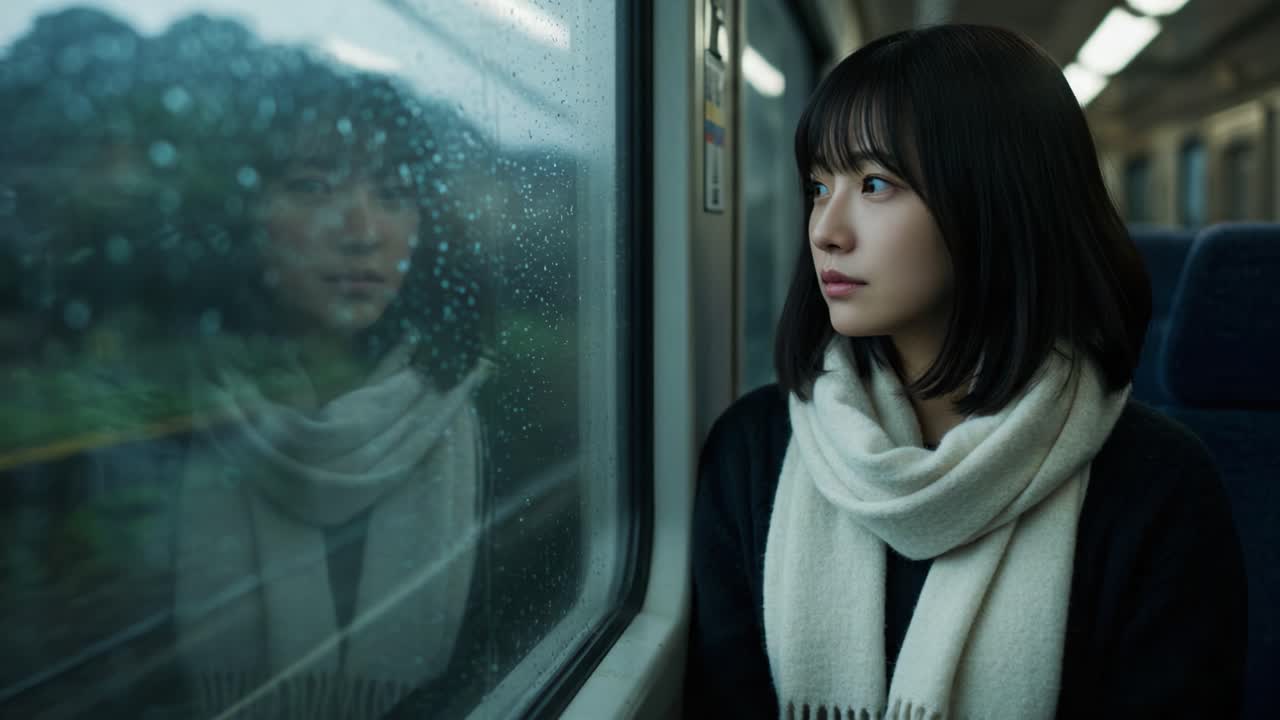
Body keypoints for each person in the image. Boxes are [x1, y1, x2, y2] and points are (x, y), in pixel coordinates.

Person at [685, 24, 1246, 719]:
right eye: (818, 185)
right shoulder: (753, 450)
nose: (826, 228)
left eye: (876, 183)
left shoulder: (1154, 486)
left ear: (998, 200)